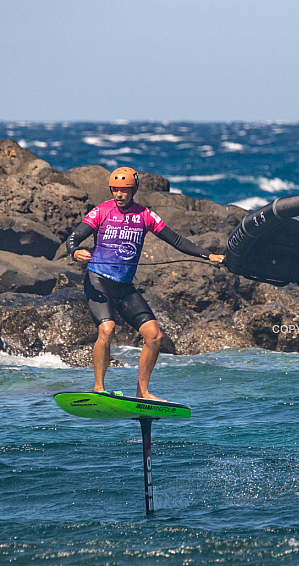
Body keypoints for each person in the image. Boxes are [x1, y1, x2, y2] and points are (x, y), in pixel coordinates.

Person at [66, 167, 224, 400]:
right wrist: (75, 251)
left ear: (135, 190)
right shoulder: (101, 211)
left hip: (124, 286)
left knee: (154, 336)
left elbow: (176, 239)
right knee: (107, 329)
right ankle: (99, 388)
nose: (119, 195)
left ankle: (143, 392)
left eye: (125, 190)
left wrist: (208, 255)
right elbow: (74, 237)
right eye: (116, 190)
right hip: (98, 280)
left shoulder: (145, 216)